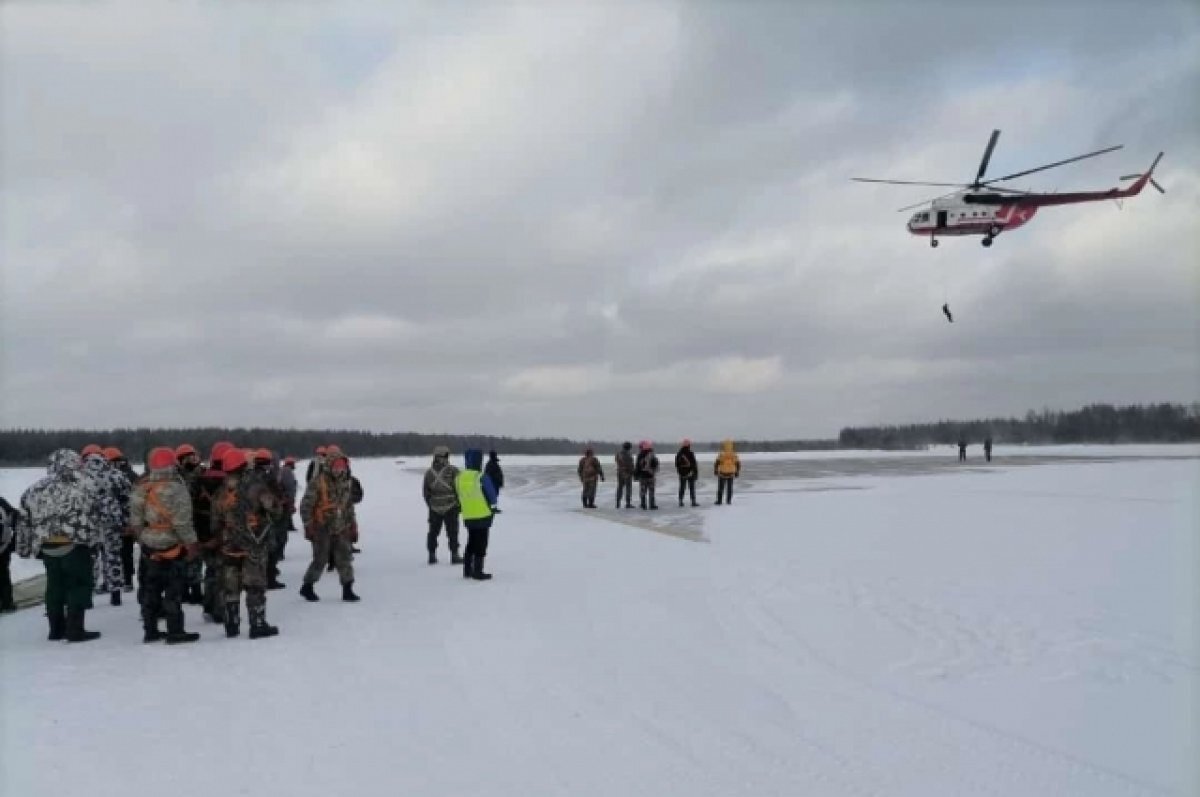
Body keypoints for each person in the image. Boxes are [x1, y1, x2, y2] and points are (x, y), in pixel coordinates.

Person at [17, 450, 103, 642]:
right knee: (78, 584)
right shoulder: (85, 486)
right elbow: (96, 516)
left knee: (54, 586)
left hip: (47, 546)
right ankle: (75, 629)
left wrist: (24, 547)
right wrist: (97, 542)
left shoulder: (34, 489)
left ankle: (55, 629)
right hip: (75, 544)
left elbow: (23, 520)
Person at [130, 447, 201, 644]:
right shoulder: (178, 489)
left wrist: (143, 539)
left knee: (150, 590)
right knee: (173, 592)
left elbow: (135, 522)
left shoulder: (141, 487)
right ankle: (175, 631)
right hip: (173, 547)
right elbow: (182, 523)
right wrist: (192, 545)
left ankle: (150, 630)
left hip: (149, 547)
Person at [215, 447, 280, 639]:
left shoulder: (222, 491)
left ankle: (231, 625)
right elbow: (275, 510)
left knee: (230, 587)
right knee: (255, 585)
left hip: (229, 545)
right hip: (254, 543)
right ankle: (257, 624)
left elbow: (215, 521)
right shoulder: (257, 487)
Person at [299, 449, 360, 602]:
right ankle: (307, 586)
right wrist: (308, 525)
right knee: (321, 559)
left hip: (341, 526)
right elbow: (306, 506)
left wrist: (353, 525)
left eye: (342, 467)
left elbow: (348, 506)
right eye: (336, 467)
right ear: (329, 466)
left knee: (344, 558)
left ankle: (348, 589)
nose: (339, 470)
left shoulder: (346, 483)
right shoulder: (317, 483)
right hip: (321, 527)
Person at [81, 445, 128, 606]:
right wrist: (126, 520)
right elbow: (126, 497)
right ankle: (115, 594)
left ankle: (87, 596)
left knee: (89, 559)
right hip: (111, 521)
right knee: (113, 557)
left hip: (88, 522)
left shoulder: (79, 475)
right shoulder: (115, 474)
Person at [455, 449, 498, 581]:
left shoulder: (459, 477)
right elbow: (492, 496)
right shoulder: (481, 477)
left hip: (468, 516)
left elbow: (458, 496)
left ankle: (467, 570)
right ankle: (478, 571)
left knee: (471, 541)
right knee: (481, 543)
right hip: (483, 515)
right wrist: (493, 508)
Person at [103, 446, 138, 593]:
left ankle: (119, 581)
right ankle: (127, 580)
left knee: (114, 553)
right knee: (126, 552)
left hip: (117, 521)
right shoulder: (132, 475)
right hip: (128, 520)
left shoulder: (109, 477)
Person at [175, 443, 205, 605]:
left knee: (195, 557)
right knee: (184, 557)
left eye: (193, 456)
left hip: (195, 521)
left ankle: (194, 590)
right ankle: (186, 590)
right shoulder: (178, 477)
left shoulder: (201, 474)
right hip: (183, 522)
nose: (192, 459)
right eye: (188, 457)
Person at [423, 446, 461, 565]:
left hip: (434, 508)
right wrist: (459, 504)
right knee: (452, 532)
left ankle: (432, 555)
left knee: (433, 532)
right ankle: (454, 555)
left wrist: (431, 504)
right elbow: (459, 488)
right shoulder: (453, 470)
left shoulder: (429, 473)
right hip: (451, 506)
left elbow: (426, 492)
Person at [0, 497, 18, 612]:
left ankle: (6, 603)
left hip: (3, 546)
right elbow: (15, 517)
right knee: (3, 575)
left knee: (3, 574)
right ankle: (7, 603)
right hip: (2, 546)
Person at [714, 439, 740, 505]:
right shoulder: (734, 454)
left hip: (722, 472)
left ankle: (719, 501)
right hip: (731, 473)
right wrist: (737, 472)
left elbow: (717, 463)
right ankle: (728, 501)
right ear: (731, 446)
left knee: (720, 488)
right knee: (729, 488)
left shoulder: (721, 454)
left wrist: (716, 470)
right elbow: (738, 464)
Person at [635, 441, 659, 510]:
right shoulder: (652, 455)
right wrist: (653, 472)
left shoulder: (640, 455)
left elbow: (637, 466)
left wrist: (636, 475)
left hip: (642, 476)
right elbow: (656, 465)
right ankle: (652, 505)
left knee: (643, 491)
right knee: (651, 491)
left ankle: (643, 504)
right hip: (651, 476)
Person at [675, 439, 699, 507]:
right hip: (691, 473)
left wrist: (679, 472)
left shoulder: (679, 454)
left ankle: (680, 501)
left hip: (682, 474)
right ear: (689, 445)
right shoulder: (691, 453)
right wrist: (695, 473)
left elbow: (676, 464)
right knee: (691, 488)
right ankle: (693, 502)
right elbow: (694, 464)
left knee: (682, 488)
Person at [614, 442, 635, 509]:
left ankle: (618, 502)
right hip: (627, 473)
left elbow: (617, 461)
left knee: (620, 487)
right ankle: (628, 503)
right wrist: (633, 471)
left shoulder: (618, 454)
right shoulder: (628, 454)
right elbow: (630, 464)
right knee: (628, 488)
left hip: (620, 472)